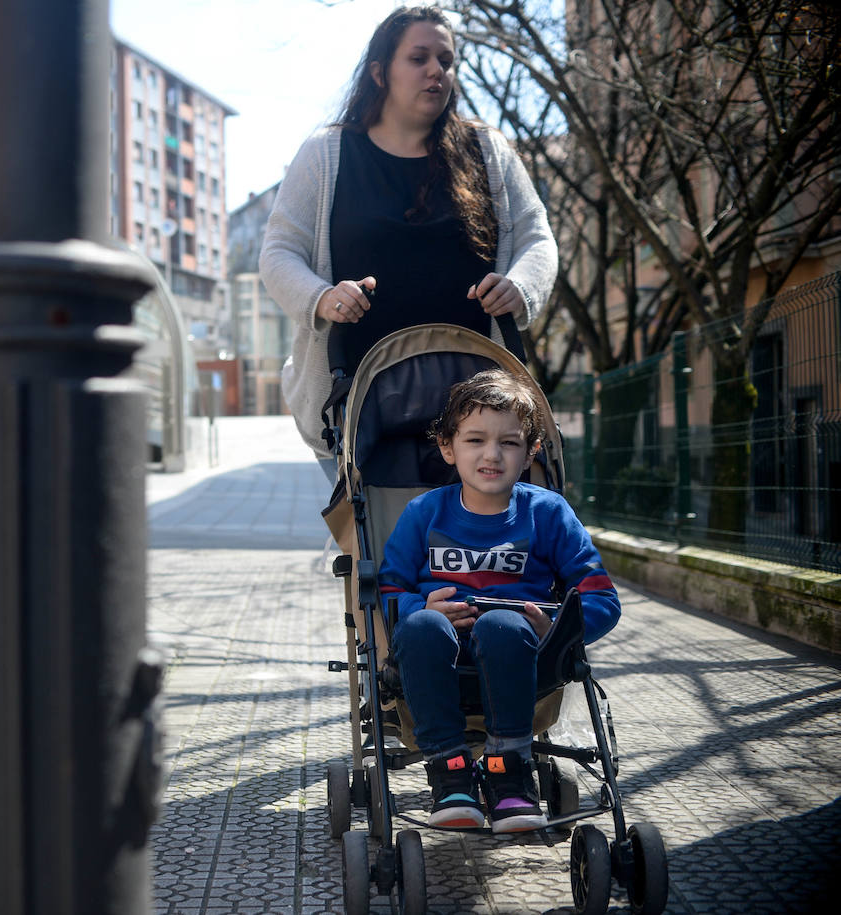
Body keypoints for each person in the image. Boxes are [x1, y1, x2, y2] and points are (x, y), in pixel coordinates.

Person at [259, 6, 557, 480]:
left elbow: (537, 236)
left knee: (481, 551)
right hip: (357, 406)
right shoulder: (326, 153)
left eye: (446, 59)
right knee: (376, 546)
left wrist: (521, 286)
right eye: (418, 57)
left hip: (480, 413)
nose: (436, 70)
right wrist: (322, 298)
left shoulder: (488, 151)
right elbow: (278, 251)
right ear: (380, 72)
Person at [376, 369, 620, 833]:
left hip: (525, 657)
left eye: (509, 443)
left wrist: (560, 629)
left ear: (530, 453)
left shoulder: (547, 513)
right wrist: (419, 609)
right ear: (448, 447)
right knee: (423, 627)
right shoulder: (423, 513)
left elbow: (601, 598)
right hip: (433, 658)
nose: (492, 455)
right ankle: (450, 772)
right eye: (475, 440)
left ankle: (509, 769)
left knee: (503, 625)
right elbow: (388, 592)